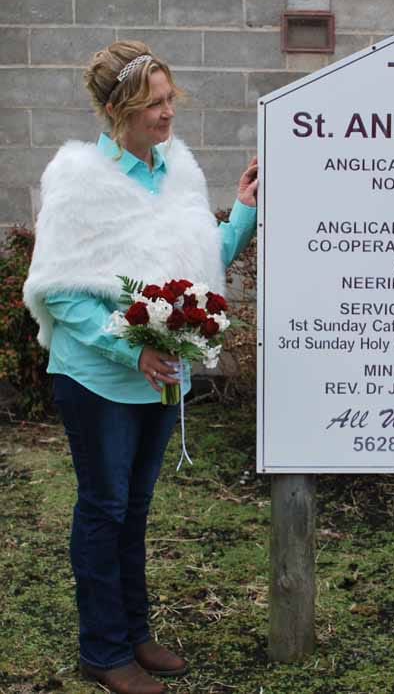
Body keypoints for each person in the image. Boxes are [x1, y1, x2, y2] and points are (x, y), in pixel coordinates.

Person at [23, 41, 259, 694]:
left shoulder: (174, 170)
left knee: (134, 508)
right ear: (118, 111)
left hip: (160, 376)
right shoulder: (78, 181)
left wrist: (244, 209)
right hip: (98, 378)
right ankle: (104, 649)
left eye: (169, 99)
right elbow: (62, 294)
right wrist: (136, 349)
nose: (167, 113)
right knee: (104, 506)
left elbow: (198, 259)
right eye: (154, 104)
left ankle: (134, 632)